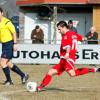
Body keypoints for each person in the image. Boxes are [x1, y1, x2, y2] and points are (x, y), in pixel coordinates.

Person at [37, 21, 100, 91]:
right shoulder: (73, 34)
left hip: (68, 58)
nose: (59, 31)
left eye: (59, 29)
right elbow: (83, 38)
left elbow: (68, 47)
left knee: (72, 73)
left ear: (63, 27)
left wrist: (67, 54)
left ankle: (95, 69)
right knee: (50, 71)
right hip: (64, 60)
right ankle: (40, 87)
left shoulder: (66, 36)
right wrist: (89, 36)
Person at [0, 7, 29, 85]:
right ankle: (23, 75)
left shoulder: (7, 22)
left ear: (2, 13)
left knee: (2, 62)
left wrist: (15, 44)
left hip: (9, 43)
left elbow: (14, 32)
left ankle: (9, 81)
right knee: (8, 63)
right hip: (4, 44)